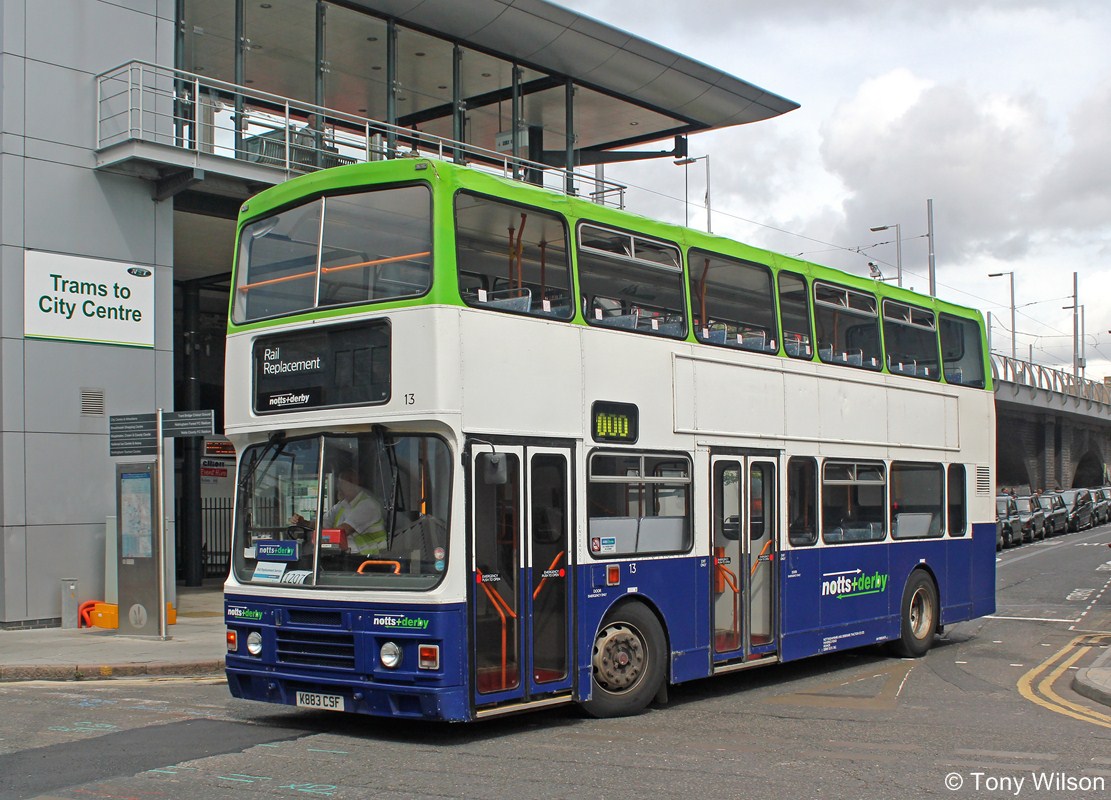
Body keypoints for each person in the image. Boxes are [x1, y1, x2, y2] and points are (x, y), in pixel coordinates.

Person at [291, 468, 387, 555]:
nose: (338, 487)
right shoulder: (341, 506)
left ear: (354, 483)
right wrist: (304, 522)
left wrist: (318, 538)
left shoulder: (368, 505)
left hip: (368, 559)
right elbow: (324, 523)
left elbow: (341, 532)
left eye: (342, 484)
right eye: (338, 484)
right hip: (347, 555)